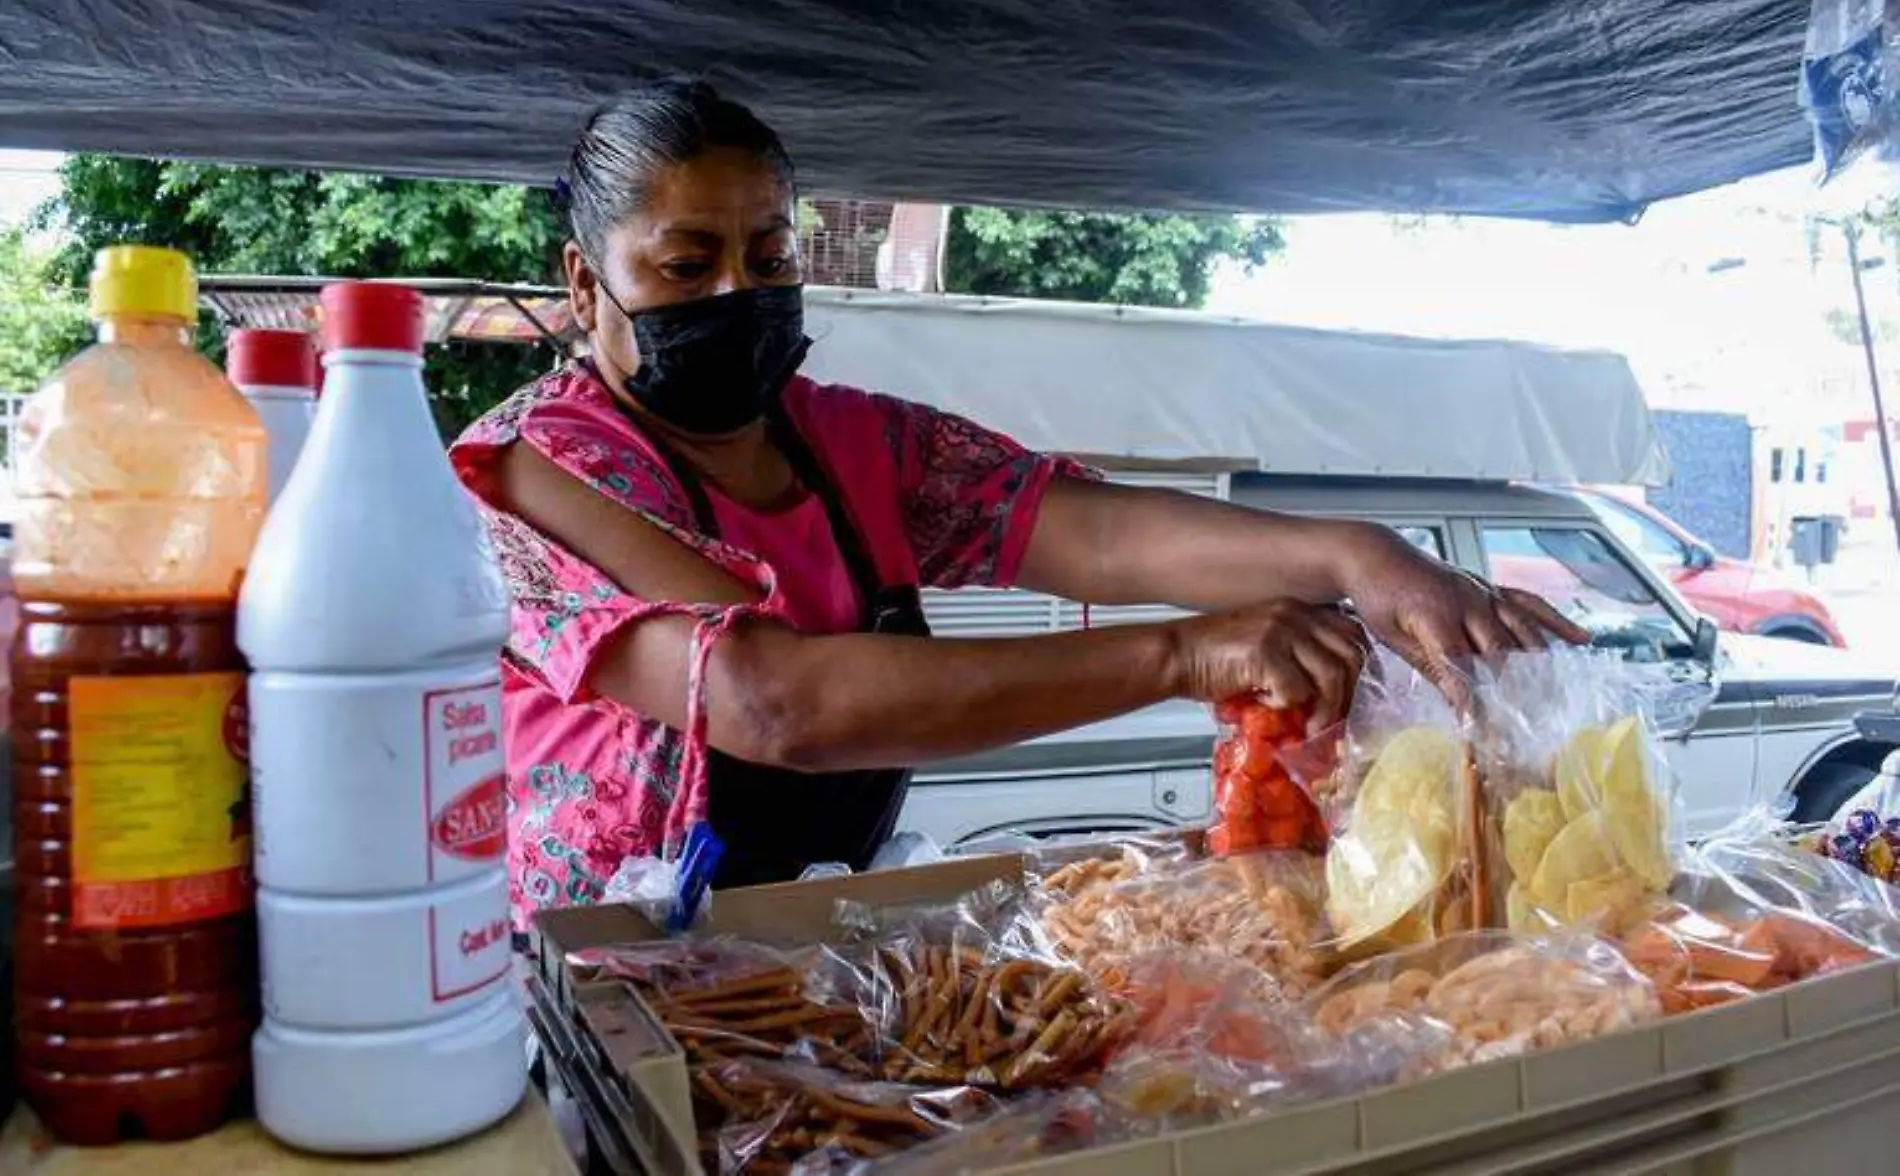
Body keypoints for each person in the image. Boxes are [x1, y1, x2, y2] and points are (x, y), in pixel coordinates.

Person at [451, 79, 1584, 922]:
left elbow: (1088, 533)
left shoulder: (854, 440)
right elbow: (772, 702)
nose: (737, 293)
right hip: (594, 982)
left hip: (800, 938)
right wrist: (1188, 656)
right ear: (582, 281)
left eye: (769, 253)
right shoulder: (526, 473)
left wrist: (1358, 557)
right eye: (685, 266)